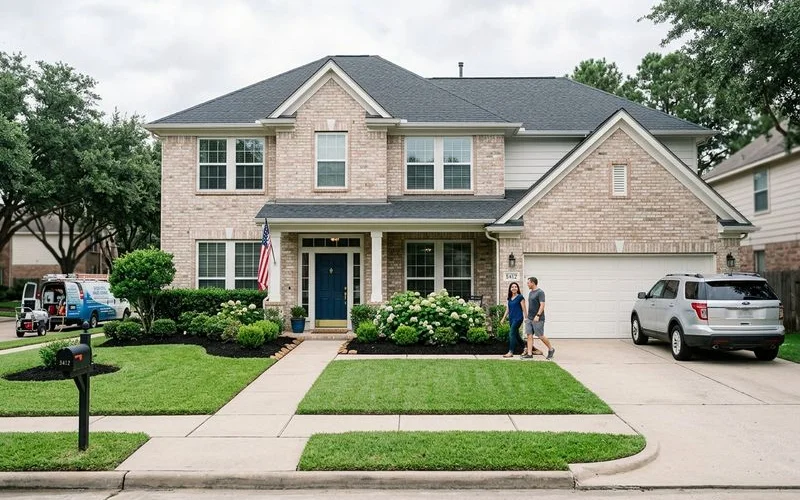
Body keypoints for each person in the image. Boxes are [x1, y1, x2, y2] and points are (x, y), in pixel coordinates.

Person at [524, 276, 555, 360]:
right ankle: (529, 354)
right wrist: (527, 317)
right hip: (530, 318)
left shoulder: (540, 292)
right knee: (529, 335)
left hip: (538, 318)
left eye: (528, 283)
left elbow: (542, 305)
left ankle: (551, 349)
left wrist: (538, 315)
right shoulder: (530, 292)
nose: (527, 284)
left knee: (540, 335)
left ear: (533, 283)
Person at [500, 282, 526, 358]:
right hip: (511, 318)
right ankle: (525, 347)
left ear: (517, 288)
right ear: (510, 289)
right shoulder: (509, 298)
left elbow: (524, 308)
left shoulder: (520, 297)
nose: (514, 288)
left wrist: (526, 318)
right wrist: (503, 318)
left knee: (511, 333)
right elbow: (507, 309)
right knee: (516, 335)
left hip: (518, 318)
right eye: (512, 287)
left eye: (515, 287)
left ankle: (511, 352)